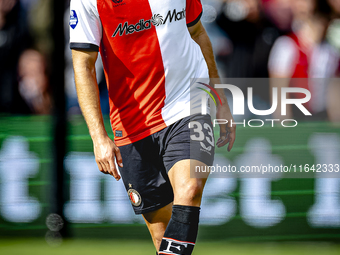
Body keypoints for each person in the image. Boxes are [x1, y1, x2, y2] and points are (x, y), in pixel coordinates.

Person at [70, 1, 236, 254]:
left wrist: (220, 100)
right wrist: (98, 136)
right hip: (131, 124)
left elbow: (198, 32)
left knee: (190, 189)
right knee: (163, 239)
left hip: (189, 102)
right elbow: (83, 64)